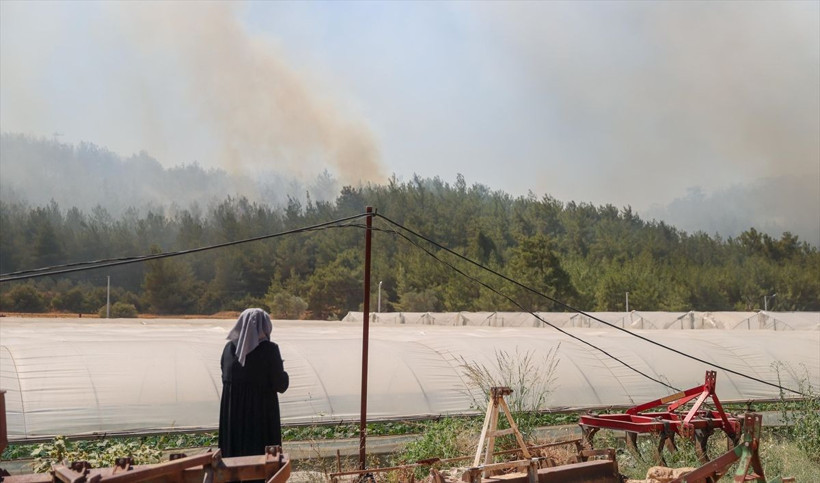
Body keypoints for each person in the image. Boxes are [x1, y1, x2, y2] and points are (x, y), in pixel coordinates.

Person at [219, 308, 289, 457]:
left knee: (234, 459)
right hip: (260, 419)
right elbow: (280, 385)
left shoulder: (228, 349)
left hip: (233, 420)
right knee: (260, 462)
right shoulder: (270, 350)